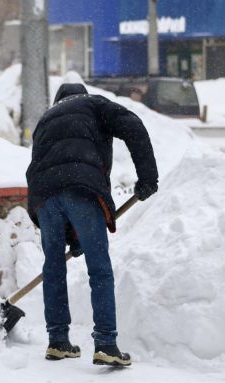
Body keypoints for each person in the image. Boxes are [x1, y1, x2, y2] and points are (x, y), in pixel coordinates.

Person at [26, 83, 158, 367]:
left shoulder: (45, 120)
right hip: (81, 187)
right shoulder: (94, 104)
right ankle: (106, 343)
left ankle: (58, 341)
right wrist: (148, 176)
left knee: (53, 268)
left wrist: (70, 234)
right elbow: (132, 125)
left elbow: (46, 168)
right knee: (99, 269)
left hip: (44, 197)